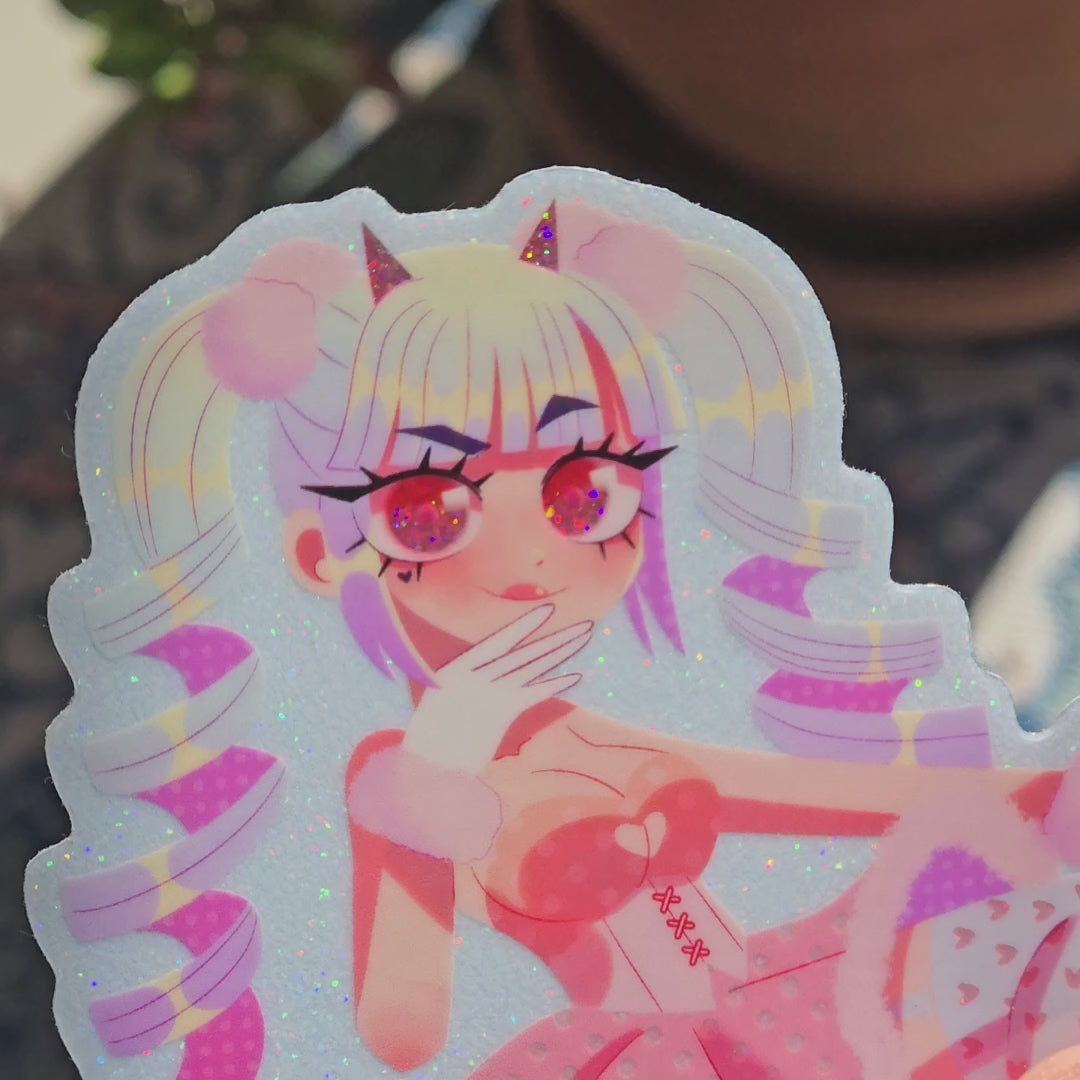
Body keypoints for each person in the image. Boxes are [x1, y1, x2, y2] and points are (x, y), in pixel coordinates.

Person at [100, 190, 1080, 1079]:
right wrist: (438, 778)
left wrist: (1042, 789)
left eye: (584, 493)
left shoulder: (591, 729)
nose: (529, 552)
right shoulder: (398, 774)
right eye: (431, 511)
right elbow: (402, 1029)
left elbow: (829, 797)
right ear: (324, 556)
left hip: (791, 1001)